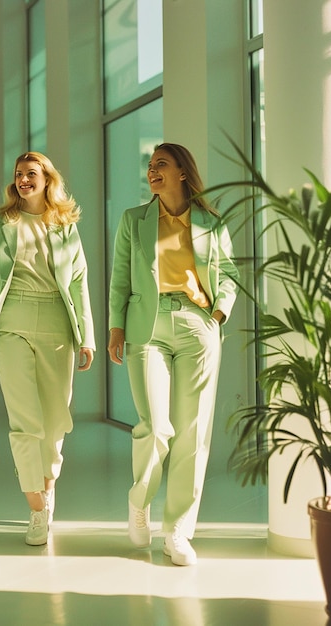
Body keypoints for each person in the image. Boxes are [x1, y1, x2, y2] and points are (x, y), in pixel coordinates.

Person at [108, 143, 239, 566]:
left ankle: (179, 531)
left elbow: (231, 274)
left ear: (183, 172)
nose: (153, 171)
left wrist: (218, 313)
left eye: (161, 164)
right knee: (155, 426)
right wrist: (115, 328)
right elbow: (120, 279)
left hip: (197, 325)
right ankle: (140, 500)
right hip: (147, 327)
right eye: (149, 166)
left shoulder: (211, 222)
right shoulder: (134, 220)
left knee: (194, 433)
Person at [0, 151, 95, 546]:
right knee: (24, 421)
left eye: (31, 174)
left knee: (55, 422)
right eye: (18, 174)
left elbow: (79, 281)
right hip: (11, 322)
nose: (23, 180)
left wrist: (85, 335)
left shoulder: (65, 224)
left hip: (56, 323)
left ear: (47, 179)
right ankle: (36, 508)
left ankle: (47, 485)